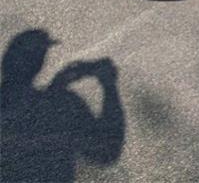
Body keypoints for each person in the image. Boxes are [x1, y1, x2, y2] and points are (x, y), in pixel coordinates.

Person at [1, 29, 124, 181]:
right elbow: (107, 151)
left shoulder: (58, 103)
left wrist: (54, 91)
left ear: (6, 60)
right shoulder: (61, 105)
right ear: (40, 62)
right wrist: (109, 86)